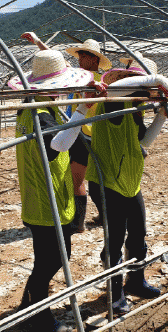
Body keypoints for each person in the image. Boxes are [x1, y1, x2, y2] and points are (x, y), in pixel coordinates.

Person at [8, 49, 104, 332]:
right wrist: (83, 108)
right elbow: (58, 145)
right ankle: (39, 315)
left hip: (43, 194)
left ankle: (29, 305)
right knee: (52, 259)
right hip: (44, 198)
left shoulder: (35, 106)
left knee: (49, 258)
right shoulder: (40, 113)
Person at [86, 56, 168, 314]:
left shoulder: (134, 110)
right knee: (115, 238)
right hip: (107, 182)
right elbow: (114, 90)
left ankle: (136, 281)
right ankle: (114, 292)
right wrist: (156, 80)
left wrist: (162, 116)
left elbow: (143, 144)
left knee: (138, 232)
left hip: (129, 181)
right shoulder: (113, 103)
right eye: (146, 89)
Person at [21, 33, 112, 233]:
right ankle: (101, 217)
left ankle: (78, 223)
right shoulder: (89, 78)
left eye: (84, 56)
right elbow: (58, 65)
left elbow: (60, 66)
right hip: (89, 134)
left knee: (77, 180)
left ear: (94, 59)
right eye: (79, 55)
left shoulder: (89, 79)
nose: (79, 59)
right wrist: (38, 43)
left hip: (84, 135)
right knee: (93, 180)